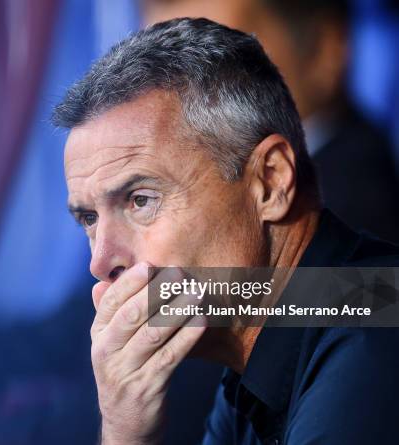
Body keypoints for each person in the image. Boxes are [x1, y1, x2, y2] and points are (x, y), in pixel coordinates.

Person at [52, 18, 399, 444]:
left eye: (141, 199)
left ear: (271, 182)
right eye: (89, 218)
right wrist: (127, 427)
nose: (101, 262)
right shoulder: (257, 342)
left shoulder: (374, 332)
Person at [140, 0, 399, 244]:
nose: (170, 102)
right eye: (159, 74)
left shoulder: (356, 226)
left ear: (322, 51)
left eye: (213, 67)